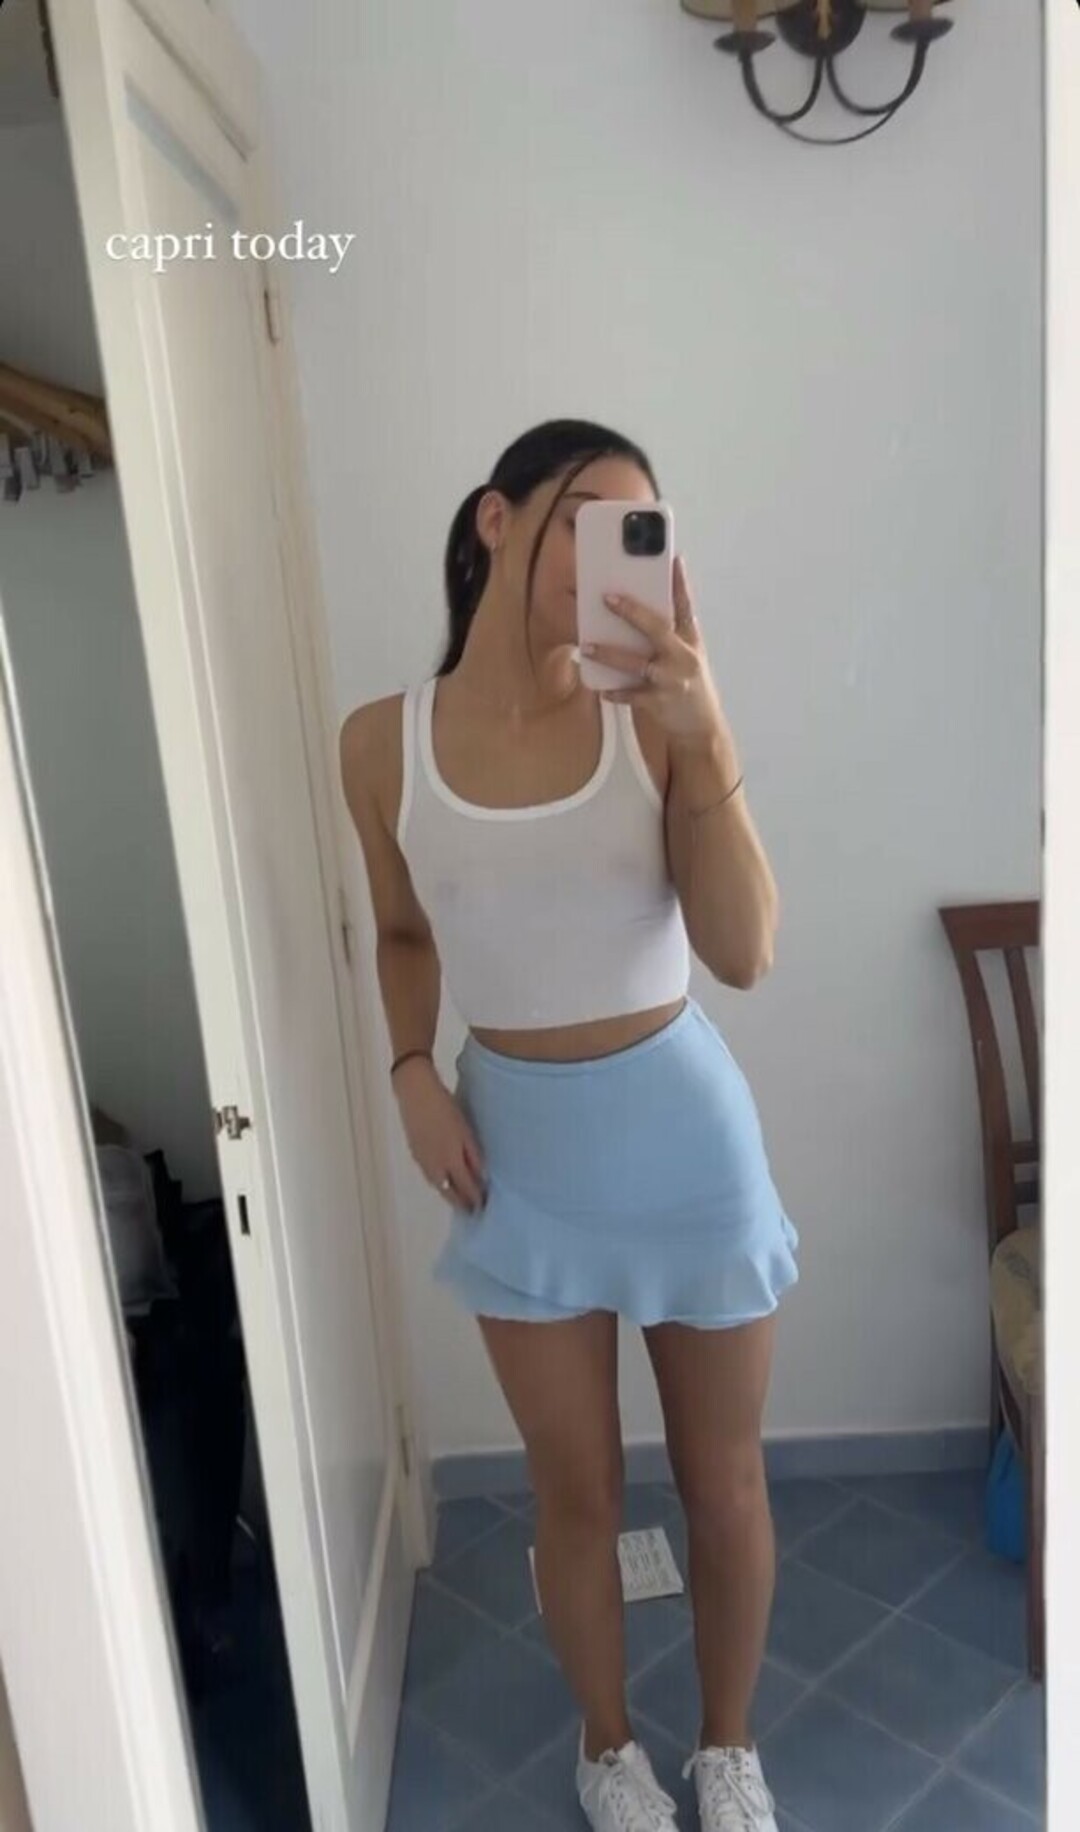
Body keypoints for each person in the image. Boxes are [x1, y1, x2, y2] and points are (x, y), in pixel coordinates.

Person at [339, 420, 799, 1832]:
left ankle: (727, 1748)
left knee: (723, 1484)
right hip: (517, 1159)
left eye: (641, 529)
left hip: (686, 1144)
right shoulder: (381, 744)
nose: (615, 552)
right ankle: (609, 1750)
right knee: (575, 1490)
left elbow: (744, 951)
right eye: (590, 516)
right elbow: (403, 931)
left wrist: (705, 731)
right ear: (499, 519)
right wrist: (410, 1071)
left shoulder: (650, 719)